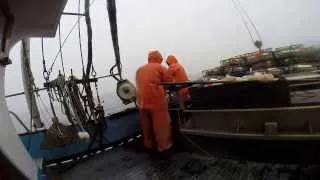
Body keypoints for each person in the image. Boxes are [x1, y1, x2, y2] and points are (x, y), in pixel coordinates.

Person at [136, 50, 174, 154]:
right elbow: (170, 82)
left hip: (140, 101)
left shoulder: (139, 69)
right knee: (161, 124)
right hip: (155, 100)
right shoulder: (160, 68)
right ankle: (164, 147)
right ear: (158, 59)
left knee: (146, 124)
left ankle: (148, 144)